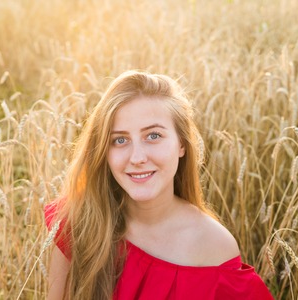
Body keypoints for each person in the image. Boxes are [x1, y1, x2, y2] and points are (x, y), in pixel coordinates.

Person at [44, 70, 273, 299]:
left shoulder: (215, 249)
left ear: (182, 144)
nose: (137, 157)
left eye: (153, 136)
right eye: (120, 140)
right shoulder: (78, 223)